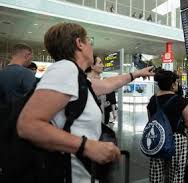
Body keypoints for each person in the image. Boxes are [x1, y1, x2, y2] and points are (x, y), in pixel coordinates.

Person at [16, 22, 154, 183]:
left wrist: (136, 74)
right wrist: (87, 146)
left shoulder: (76, 76)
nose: (91, 46)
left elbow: (107, 85)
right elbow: (27, 125)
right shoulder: (65, 69)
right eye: (89, 41)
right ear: (79, 43)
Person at [146, 69, 188, 182]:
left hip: (157, 139)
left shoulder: (153, 100)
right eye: (176, 82)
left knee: (156, 174)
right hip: (176, 139)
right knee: (176, 173)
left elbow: (151, 121)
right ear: (172, 85)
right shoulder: (181, 100)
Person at [85, 55, 117, 124]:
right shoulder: (84, 81)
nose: (103, 66)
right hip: (88, 121)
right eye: (100, 63)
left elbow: (111, 98)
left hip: (102, 118)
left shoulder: (103, 81)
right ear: (92, 66)